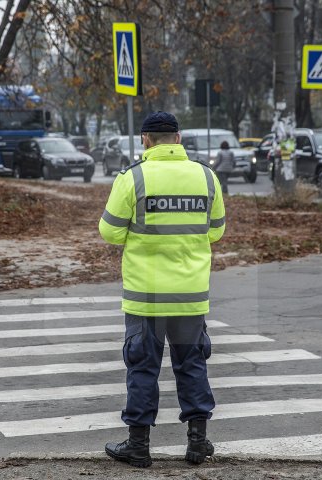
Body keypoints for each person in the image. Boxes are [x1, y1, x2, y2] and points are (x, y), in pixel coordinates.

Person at [99, 111, 226, 468]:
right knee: (192, 365)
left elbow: (109, 232)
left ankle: (138, 447)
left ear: (145, 140)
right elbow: (215, 231)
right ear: (178, 138)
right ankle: (198, 444)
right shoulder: (206, 177)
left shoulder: (133, 179)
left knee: (142, 367)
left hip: (146, 297)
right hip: (190, 296)